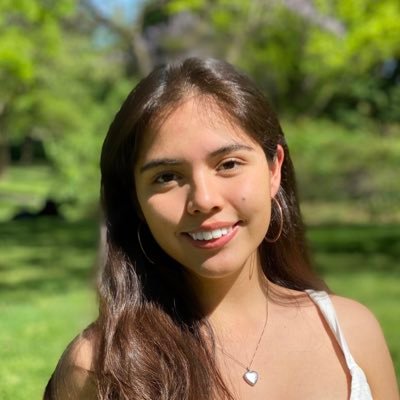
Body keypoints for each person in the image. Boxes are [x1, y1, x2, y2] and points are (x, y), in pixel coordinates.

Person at [43, 57, 399, 400]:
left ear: (273, 170)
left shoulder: (353, 334)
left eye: (228, 164)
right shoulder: (96, 367)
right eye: (166, 177)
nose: (204, 199)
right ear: (135, 197)